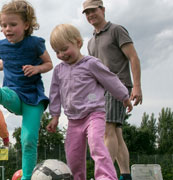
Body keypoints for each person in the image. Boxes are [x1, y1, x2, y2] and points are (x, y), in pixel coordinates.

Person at [0, 0, 53, 179]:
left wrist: (37, 68)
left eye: (13, 24)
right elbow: (8, 62)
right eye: (4, 25)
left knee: (28, 140)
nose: (8, 28)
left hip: (34, 98)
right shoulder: (2, 45)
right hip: (14, 93)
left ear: (26, 25)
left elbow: (49, 63)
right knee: (4, 95)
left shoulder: (35, 43)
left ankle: (26, 177)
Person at [46, 23, 133, 180]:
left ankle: (106, 177)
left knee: (96, 144)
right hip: (73, 120)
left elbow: (110, 80)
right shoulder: (59, 70)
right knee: (73, 154)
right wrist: (55, 116)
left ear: (78, 43)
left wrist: (124, 97)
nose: (61, 54)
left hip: (94, 114)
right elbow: (55, 94)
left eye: (64, 49)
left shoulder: (91, 63)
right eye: (57, 52)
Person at [82, 0, 143, 179]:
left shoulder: (117, 30)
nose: (90, 15)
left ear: (102, 10)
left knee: (107, 128)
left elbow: (133, 57)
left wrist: (137, 86)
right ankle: (125, 175)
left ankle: (105, 175)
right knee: (115, 131)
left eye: (93, 11)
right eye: (86, 13)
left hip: (118, 85)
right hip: (100, 90)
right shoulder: (91, 42)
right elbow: (93, 70)